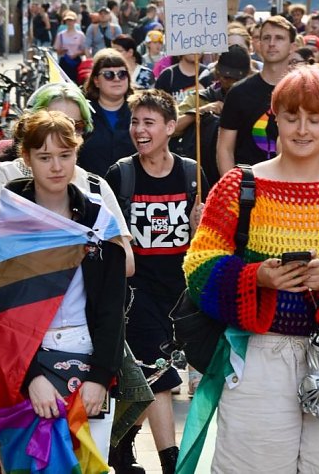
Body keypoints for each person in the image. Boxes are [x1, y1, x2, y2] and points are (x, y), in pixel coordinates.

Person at [181, 66, 319, 473]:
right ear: (273, 118)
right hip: (257, 353)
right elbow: (200, 263)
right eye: (291, 117)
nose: (301, 129)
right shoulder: (238, 186)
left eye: (314, 119)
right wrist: (255, 278)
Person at [0, 110, 126, 471]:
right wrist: (31, 377)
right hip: (22, 365)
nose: (56, 167)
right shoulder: (6, 225)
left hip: (88, 358)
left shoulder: (99, 222)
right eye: (44, 157)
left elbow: (112, 307)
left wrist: (101, 377)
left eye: (65, 155)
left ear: (77, 154)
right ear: (26, 159)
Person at [105, 89, 207, 474]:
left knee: (144, 381)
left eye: (149, 122)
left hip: (181, 295)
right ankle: (171, 462)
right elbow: (109, 234)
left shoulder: (190, 172)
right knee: (158, 376)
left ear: (169, 127)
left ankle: (119, 442)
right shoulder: (123, 174)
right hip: (137, 294)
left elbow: (210, 235)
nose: (139, 130)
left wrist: (201, 227)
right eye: (135, 122)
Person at [217, 16, 296, 175]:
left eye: (279, 38)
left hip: (293, 187)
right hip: (250, 187)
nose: (272, 43)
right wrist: (233, 189)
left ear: (292, 47)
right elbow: (224, 149)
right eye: (266, 38)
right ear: (258, 44)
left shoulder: (303, 91)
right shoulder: (238, 92)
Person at [173, 44, 252, 185]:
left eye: (233, 78)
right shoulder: (200, 98)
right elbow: (173, 128)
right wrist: (201, 110)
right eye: (224, 76)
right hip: (202, 177)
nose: (226, 81)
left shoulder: (253, 99)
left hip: (244, 173)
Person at [78, 49, 137, 177]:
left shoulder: (140, 111)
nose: (116, 79)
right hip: (91, 190)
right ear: (96, 81)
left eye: (122, 74)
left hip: (133, 191)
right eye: (108, 74)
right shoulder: (81, 113)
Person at [54, 11, 87, 83]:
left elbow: (85, 50)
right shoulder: (61, 35)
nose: (69, 22)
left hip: (76, 61)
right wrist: (62, 51)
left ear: (75, 21)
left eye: (71, 20)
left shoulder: (80, 35)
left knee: (76, 81)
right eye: (67, 20)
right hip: (65, 61)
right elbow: (57, 49)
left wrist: (77, 54)